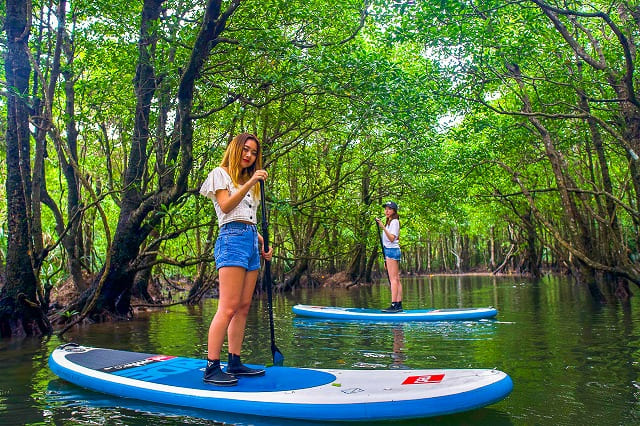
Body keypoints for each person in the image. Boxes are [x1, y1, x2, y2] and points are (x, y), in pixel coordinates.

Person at [199, 133, 273, 386]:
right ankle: (211, 367)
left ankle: (235, 361)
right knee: (228, 308)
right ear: (236, 148)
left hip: (250, 239)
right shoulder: (220, 174)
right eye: (246, 149)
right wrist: (252, 179)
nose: (249, 155)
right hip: (232, 240)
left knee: (243, 307)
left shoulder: (247, 183)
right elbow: (227, 207)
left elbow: (246, 217)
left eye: (253, 152)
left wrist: (261, 241)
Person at [376, 201, 402, 313]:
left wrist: (382, 227)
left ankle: (394, 305)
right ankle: (398, 304)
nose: (386, 211)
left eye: (389, 209)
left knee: (393, 280)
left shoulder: (394, 222)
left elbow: (392, 238)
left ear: (394, 211)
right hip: (389, 251)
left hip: (392, 251)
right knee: (396, 279)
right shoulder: (390, 222)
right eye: (386, 209)